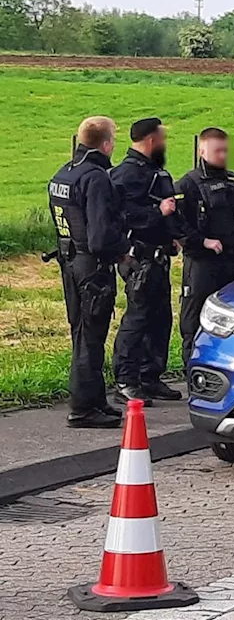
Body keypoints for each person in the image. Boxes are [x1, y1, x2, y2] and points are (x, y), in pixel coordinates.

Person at [49, 117, 130, 429]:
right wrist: (123, 249)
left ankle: (95, 399)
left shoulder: (64, 172)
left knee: (80, 332)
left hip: (69, 262)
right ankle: (83, 408)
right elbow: (99, 236)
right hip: (92, 268)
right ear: (106, 144)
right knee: (90, 338)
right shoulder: (96, 178)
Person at [111, 118, 183, 405]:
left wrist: (173, 236)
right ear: (151, 140)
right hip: (139, 258)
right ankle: (126, 380)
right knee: (137, 320)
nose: (165, 143)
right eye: (163, 138)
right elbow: (123, 216)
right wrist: (159, 211)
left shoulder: (155, 171)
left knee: (160, 318)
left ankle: (150, 376)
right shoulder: (125, 175)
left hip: (159, 257)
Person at [175, 128, 234, 366]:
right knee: (194, 320)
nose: (222, 155)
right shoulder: (188, 184)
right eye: (217, 150)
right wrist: (203, 241)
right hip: (202, 263)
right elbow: (178, 225)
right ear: (202, 151)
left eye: (225, 150)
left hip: (233, 262)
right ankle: (193, 370)